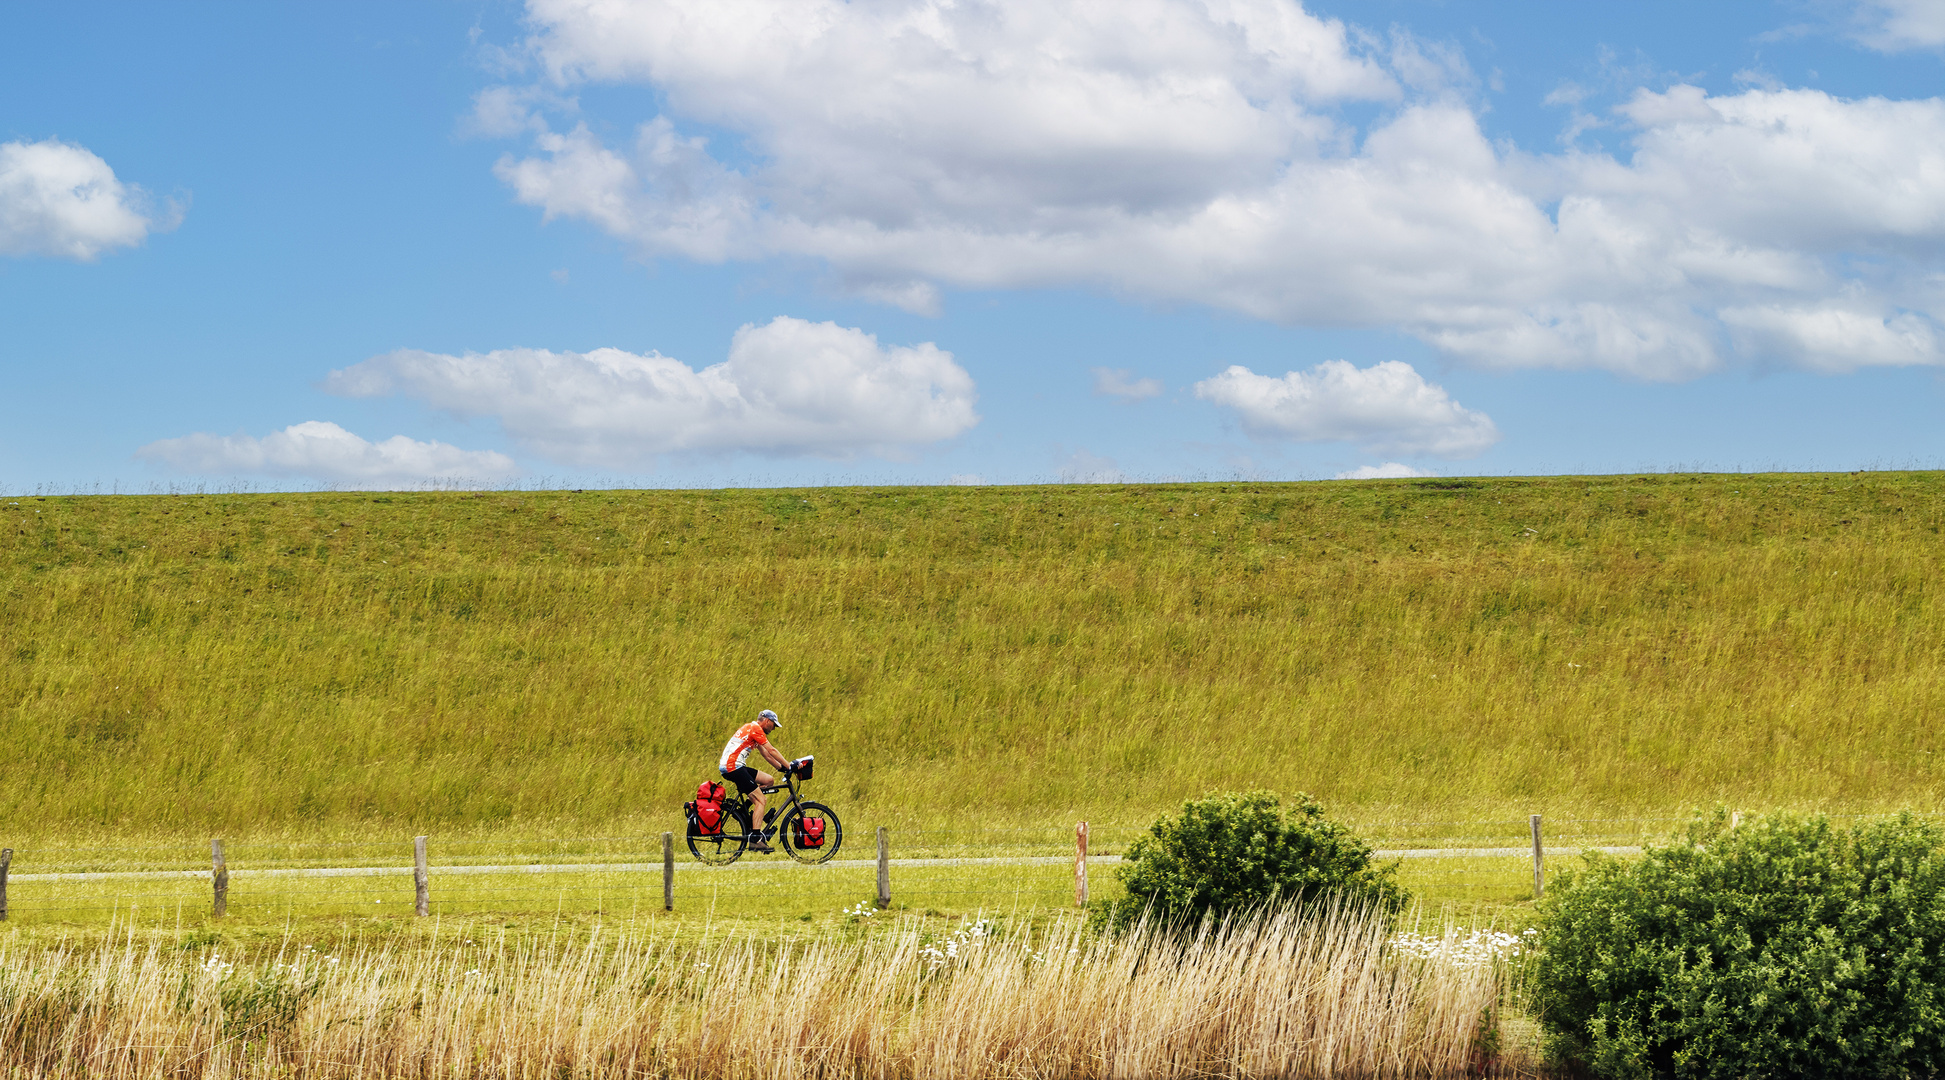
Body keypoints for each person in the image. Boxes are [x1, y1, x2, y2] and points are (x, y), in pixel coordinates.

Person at [719, 709, 791, 852]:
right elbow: (772, 751)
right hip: (733, 767)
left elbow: (766, 755)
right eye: (774, 725)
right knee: (761, 800)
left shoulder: (751, 728)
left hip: (734, 766)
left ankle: (744, 809)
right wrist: (790, 766)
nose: (774, 728)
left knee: (768, 780)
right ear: (767, 721)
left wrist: (781, 768)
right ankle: (755, 840)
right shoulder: (755, 728)